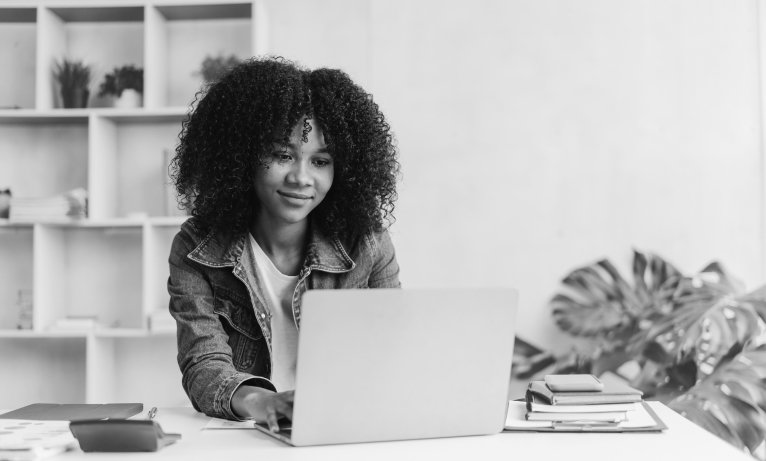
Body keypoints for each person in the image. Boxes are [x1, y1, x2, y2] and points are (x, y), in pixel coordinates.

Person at [167, 57, 401, 431]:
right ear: (243, 155)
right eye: (283, 155)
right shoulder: (198, 249)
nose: (301, 178)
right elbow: (204, 365)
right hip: (247, 436)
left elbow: (393, 348)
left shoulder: (366, 243)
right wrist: (266, 403)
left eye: (321, 160)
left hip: (344, 430)